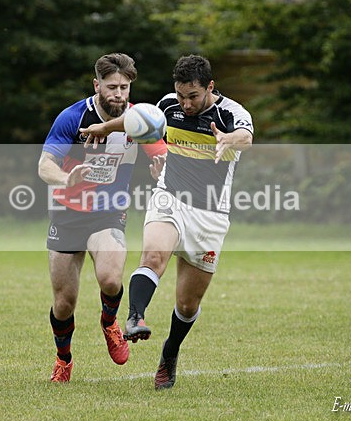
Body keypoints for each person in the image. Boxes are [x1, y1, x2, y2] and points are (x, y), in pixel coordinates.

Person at [80, 54, 254, 389]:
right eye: (180, 95)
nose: (185, 104)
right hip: (169, 198)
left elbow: (246, 137)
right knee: (153, 257)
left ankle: (170, 352)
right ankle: (134, 317)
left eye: (193, 96)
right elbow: (138, 120)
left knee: (188, 304)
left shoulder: (231, 114)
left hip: (210, 216)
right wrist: (104, 126)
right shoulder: (168, 105)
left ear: (210, 87)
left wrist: (227, 139)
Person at [38, 53, 165, 382]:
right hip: (67, 214)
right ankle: (63, 358)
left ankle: (109, 322)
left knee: (110, 279)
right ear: (97, 85)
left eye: (124, 87)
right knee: (64, 303)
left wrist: (161, 169)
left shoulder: (140, 121)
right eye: (111, 87)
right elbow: (45, 165)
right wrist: (66, 179)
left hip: (108, 213)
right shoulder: (72, 117)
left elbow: (163, 157)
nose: (119, 94)